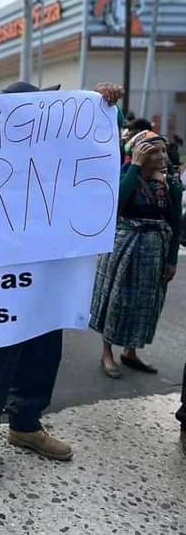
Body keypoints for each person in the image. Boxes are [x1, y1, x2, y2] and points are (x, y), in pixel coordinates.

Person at [0, 81, 124, 483]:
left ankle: (25, 425)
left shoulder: (57, 154)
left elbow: (97, 155)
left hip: (49, 276)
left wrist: (102, 105)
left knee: (43, 352)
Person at [91, 130, 182, 378]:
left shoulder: (170, 183)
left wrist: (172, 259)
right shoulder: (124, 175)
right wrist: (135, 167)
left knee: (145, 303)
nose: (162, 156)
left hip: (155, 250)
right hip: (125, 248)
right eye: (154, 152)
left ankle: (130, 351)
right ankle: (107, 351)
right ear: (139, 154)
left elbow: (175, 222)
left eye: (163, 151)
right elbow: (117, 203)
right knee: (117, 299)